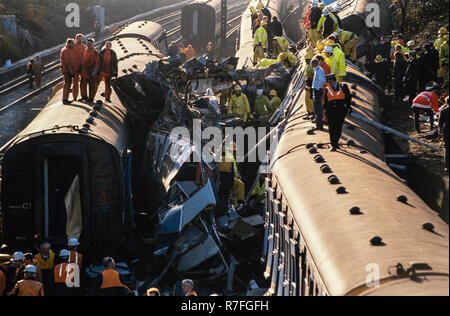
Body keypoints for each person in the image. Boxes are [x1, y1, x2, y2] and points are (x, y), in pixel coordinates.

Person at [323, 73, 352, 151]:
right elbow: (325, 101)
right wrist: (325, 111)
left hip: (341, 111)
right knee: (332, 128)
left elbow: (348, 98)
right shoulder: (327, 89)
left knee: (338, 127)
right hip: (331, 112)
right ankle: (334, 145)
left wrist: (348, 108)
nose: (329, 83)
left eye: (330, 82)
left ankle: (336, 142)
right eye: (328, 82)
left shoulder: (343, 87)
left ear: (334, 80)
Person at [81, 38, 100, 102]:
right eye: (88, 43)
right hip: (84, 71)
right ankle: (84, 96)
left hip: (91, 71)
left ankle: (91, 98)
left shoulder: (95, 52)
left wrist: (94, 72)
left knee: (91, 85)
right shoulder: (85, 50)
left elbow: (97, 63)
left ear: (93, 44)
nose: (89, 45)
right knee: (83, 84)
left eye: (90, 43)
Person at [311, 58, 326, 130]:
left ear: (314, 64)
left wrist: (317, 88)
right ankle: (319, 125)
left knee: (318, 108)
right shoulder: (318, 69)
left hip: (317, 90)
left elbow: (321, 80)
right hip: (317, 89)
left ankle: (319, 126)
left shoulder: (318, 70)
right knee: (317, 108)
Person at [60, 38, 75, 104]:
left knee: (68, 84)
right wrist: (71, 71)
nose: (73, 45)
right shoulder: (66, 50)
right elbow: (67, 62)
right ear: (68, 43)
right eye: (72, 43)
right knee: (67, 84)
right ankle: (65, 99)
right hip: (67, 70)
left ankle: (65, 98)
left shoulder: (67, 49)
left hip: (67, 69)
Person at [73, 34, 87, 102]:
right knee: (75, 83)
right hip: (75, 67)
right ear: (76, 39)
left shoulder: (84, 47)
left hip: (82, 67)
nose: (80, 40)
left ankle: (83, 96)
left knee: (83, 82)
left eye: (81, 39)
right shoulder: (73, 47)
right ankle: (75, 97)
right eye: (79, 39)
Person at [304, 47, 316, 117]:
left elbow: (313, 75)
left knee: (310, 98)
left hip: (311, 84)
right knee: (307, 98)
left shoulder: (311, 67)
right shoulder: (307, 66)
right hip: (307, 84)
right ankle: (309, 111)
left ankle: (312, 111)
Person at [438, 97, 449, 172]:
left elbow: (440, 124)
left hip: (447, 132)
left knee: (447, 149)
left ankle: (447, 166)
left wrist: (440, 133)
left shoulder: (443, 111)